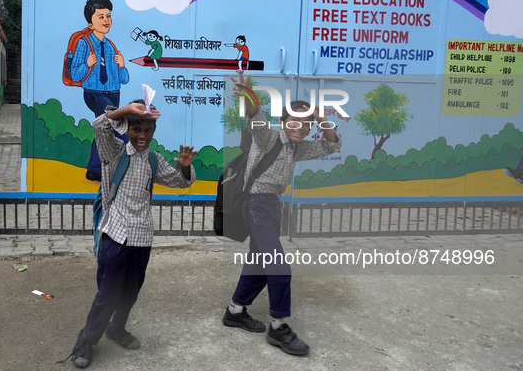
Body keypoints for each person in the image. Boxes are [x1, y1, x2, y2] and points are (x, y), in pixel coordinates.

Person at [67, 100, 197, 368]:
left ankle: (117, 328)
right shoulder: (113, 152)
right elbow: (100, 126)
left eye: (147, 130)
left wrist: (184, 165)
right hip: (115, 234)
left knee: (130, 291)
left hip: (142, 236)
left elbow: (180, 182)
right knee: (108, 292)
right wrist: (126, 110)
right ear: (126, 129)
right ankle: (87, 339)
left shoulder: (154, 159)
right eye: (136, 129)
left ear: (154, 131)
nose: (142, 136)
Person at [221, 71, 342, 356]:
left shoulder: (297, 149)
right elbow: (256, 118)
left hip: (272, 205)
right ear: (284, 121)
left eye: (306, 124)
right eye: (294, 121)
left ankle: (235, 311)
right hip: (255, 204)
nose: (300, 127)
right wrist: (250, 96)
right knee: (278, 266)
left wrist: (319, 116)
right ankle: (279, 326)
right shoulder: (268, 137)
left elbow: (332, 144)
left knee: (260, 262)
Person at [71, 0, 130, 182]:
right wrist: (87, 64)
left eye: (108, 16)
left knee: (103, 127)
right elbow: (75, 75)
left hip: (113, 93)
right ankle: (131, 163)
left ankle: (95, 169)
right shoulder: (84, 43)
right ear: (91, 22)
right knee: (119, 124)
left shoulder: (111, 47)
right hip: (95, 93)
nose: (106, 21)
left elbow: (124, 79)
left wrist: (121, 66)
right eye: (101, 17)